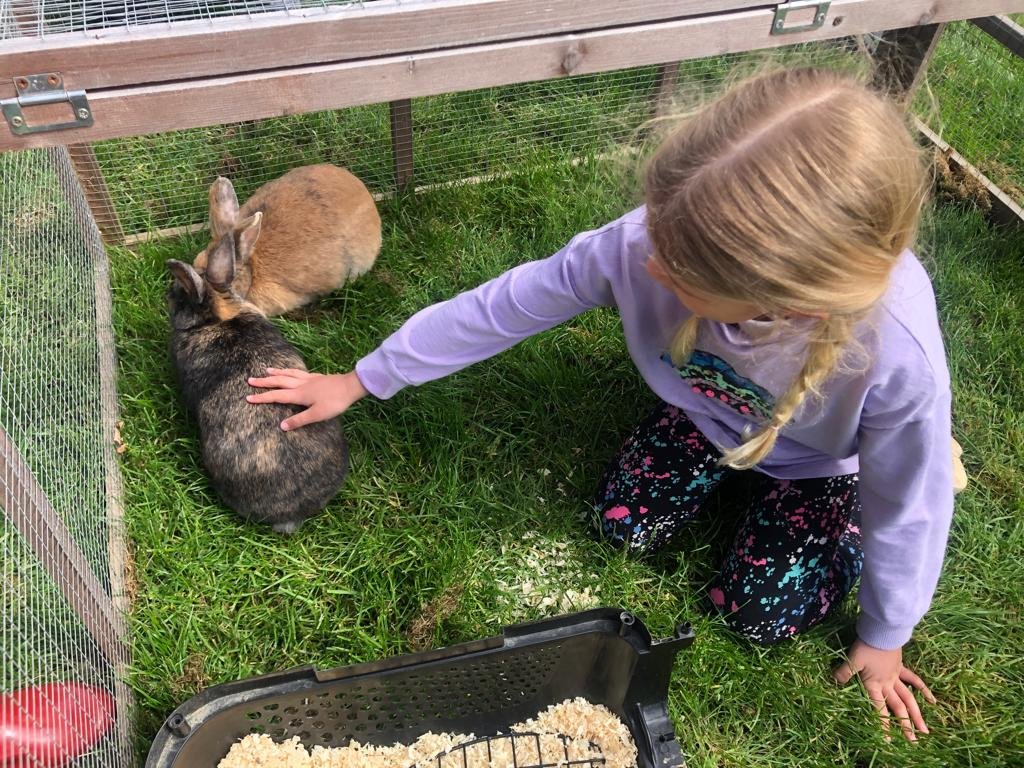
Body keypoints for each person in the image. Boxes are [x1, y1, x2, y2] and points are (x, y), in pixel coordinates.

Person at [246, 67, 950, 741]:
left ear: (785, 299)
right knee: (622, 526)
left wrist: (885, 635)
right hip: (708, 418)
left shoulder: (895, 354)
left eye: (677, 270)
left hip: (818, 463)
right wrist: (365, 378)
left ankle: (833, 522)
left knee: (760, 617)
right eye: (657, 234)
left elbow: (909, 500)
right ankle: (710, 438)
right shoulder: (651, 237)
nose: (648, 263)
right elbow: (508, 305)